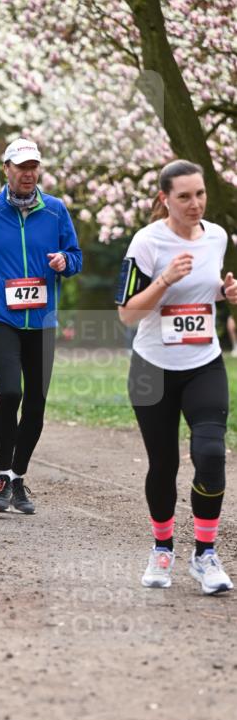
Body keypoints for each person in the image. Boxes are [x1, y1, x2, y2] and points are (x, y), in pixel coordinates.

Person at [116, 159, 236, 594]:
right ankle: (162, 547)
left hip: (204, 362)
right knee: (163, 465)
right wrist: (164, 279)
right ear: (165, 198)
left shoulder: (218, 237)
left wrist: (226, 293)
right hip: (152, 368)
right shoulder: (147, 242)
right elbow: (128, 315)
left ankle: (204, 555)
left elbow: (207, 291)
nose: (195, 204)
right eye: (184, 196)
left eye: (200, 194)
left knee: (210, 453)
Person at [0, 138, 82, 513]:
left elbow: (76, 256)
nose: (28, 173)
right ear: (5, 168)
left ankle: (16, 477)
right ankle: (3, 472)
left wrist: (64, 263)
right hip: (1, 316)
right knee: (10, 392)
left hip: (42, 319)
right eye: (21, 166)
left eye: (33, 166)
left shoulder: (55, 210)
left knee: (36, 403)